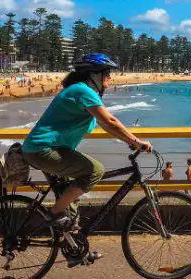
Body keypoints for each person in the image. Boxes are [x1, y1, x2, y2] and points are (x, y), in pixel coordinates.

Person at [21, 53, 152, 267]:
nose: (110, 78)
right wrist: (137, 141)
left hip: (45, 149)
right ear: (94, 76)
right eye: (107, 73)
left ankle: (75, 250)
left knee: (71, 204)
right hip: (43, 149)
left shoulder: (81, 91)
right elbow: (110, 121)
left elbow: (107, 125)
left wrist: (126, 140)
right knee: (95, 170)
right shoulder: (83, 90)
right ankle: (53, 213)